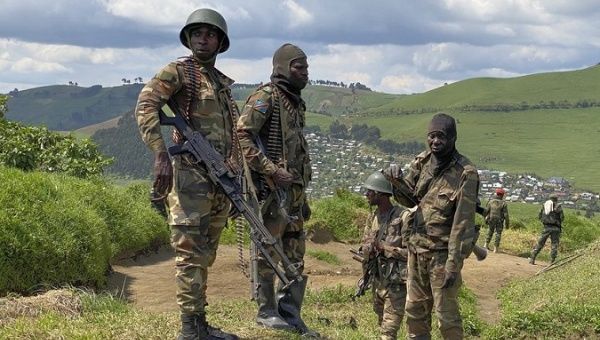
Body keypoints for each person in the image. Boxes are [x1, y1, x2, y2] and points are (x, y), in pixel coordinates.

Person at [135, 8, 241, 340]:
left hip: (219, 180)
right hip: (191, 177)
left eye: (209, 34)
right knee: (190, 252)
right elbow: (146, 106)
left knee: (205, 253)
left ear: (220, 41)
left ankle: (199, 322)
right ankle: (189, 328)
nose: (202, 38)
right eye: (197, 33)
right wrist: (160, 155)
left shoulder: (220, 83)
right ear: (189, 38)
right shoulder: (178, 71)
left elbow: (233, 134)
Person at [236, 43, 317, 336]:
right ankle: (267, 311)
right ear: (282, 68)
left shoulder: (294, 101)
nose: (305, 73)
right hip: (270, 192)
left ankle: (290, 312)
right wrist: (270, 170)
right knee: (268, 251)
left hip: (294, 193)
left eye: (306, 67)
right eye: (299, 67)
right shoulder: (265, 97)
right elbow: (242, 136)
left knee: (294, 251)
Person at [383, 113, 479, 340]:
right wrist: (396, 181)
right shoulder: (422, 162)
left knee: (446, 316)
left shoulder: (466, 173)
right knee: (415, 310)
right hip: (416, 251)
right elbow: (409, 200)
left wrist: (453, 265)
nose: (435, 142)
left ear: (454, 138)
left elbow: (462, 223)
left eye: (441, 137)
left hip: (442, 255)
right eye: (431, 136)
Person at [360, 171, 408, 340]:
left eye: (370, 192)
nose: (366, 195)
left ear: (380, 194)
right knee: (381, 322)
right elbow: (365, 244)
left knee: (388, 331)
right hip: (378, 279)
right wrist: (368, 250)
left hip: (396, 284)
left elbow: (413, 253)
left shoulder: (403, 217)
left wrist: (385, 248)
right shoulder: (373, 217)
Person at [529, 193, 564, 264]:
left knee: (540, 243)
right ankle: (552, 261)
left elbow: (539, 215)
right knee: (554, 244)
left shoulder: (545, 205)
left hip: (546, 227)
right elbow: (562, 217)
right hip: (556, 228)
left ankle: (532, 258)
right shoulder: (558, 207)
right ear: (556, 199)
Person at [483, 188, 510, 252]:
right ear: (502, 195)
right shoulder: (504, 203)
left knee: (490, 231)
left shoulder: (490, 202)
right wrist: (507, 224)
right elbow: (506, 215)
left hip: (491, 219)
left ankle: (486, 245)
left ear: (497, 194)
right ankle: (495, 249)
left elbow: (486, 212)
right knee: (498, 233)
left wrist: (485, 219)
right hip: (499, 220)